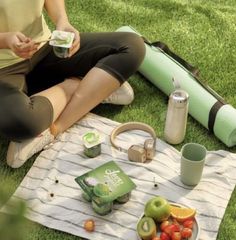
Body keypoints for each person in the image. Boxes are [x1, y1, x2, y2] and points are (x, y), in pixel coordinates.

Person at [0, 0, 145, 168]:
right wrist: (5, 40)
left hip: (44, 47)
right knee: (22, 123)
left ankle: (53, 129)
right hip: (4, 70)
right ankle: (77, 86)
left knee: (132, 46)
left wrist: (62, 20)